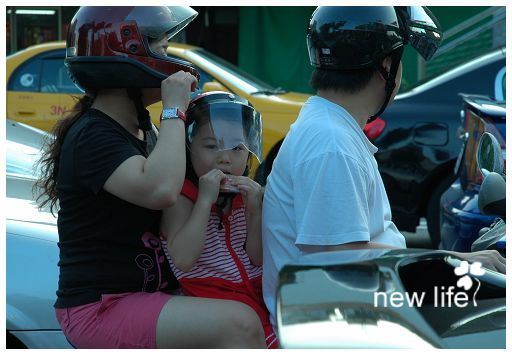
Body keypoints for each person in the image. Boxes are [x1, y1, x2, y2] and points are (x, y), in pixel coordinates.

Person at [261, 6, 506, 330]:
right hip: (337, 324)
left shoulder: (329, 129)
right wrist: (454, 265)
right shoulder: (331, 144)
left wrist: (451, 266)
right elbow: (339, 262)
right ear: (386, 67)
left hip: (350, 309)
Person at [37, 6, 266, 348]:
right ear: (125, 56)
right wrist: (175, 108)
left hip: (148, 296)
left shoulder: (142, 128)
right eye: (160, 49)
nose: (169, 60)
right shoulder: (93, 135)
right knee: (241, 324)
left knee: (251, 309)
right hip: (101, 306)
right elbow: (161, 189)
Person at [160, 91, 277, 348]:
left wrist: (254, 209)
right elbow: (183, 259)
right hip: (211, 299)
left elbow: (256, 258)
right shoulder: (181, 195)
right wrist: (204, 202)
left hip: (257, 297)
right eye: (211, 146)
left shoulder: (243, 196)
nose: (225, 157)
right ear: (188, 148)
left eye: (237, 148)